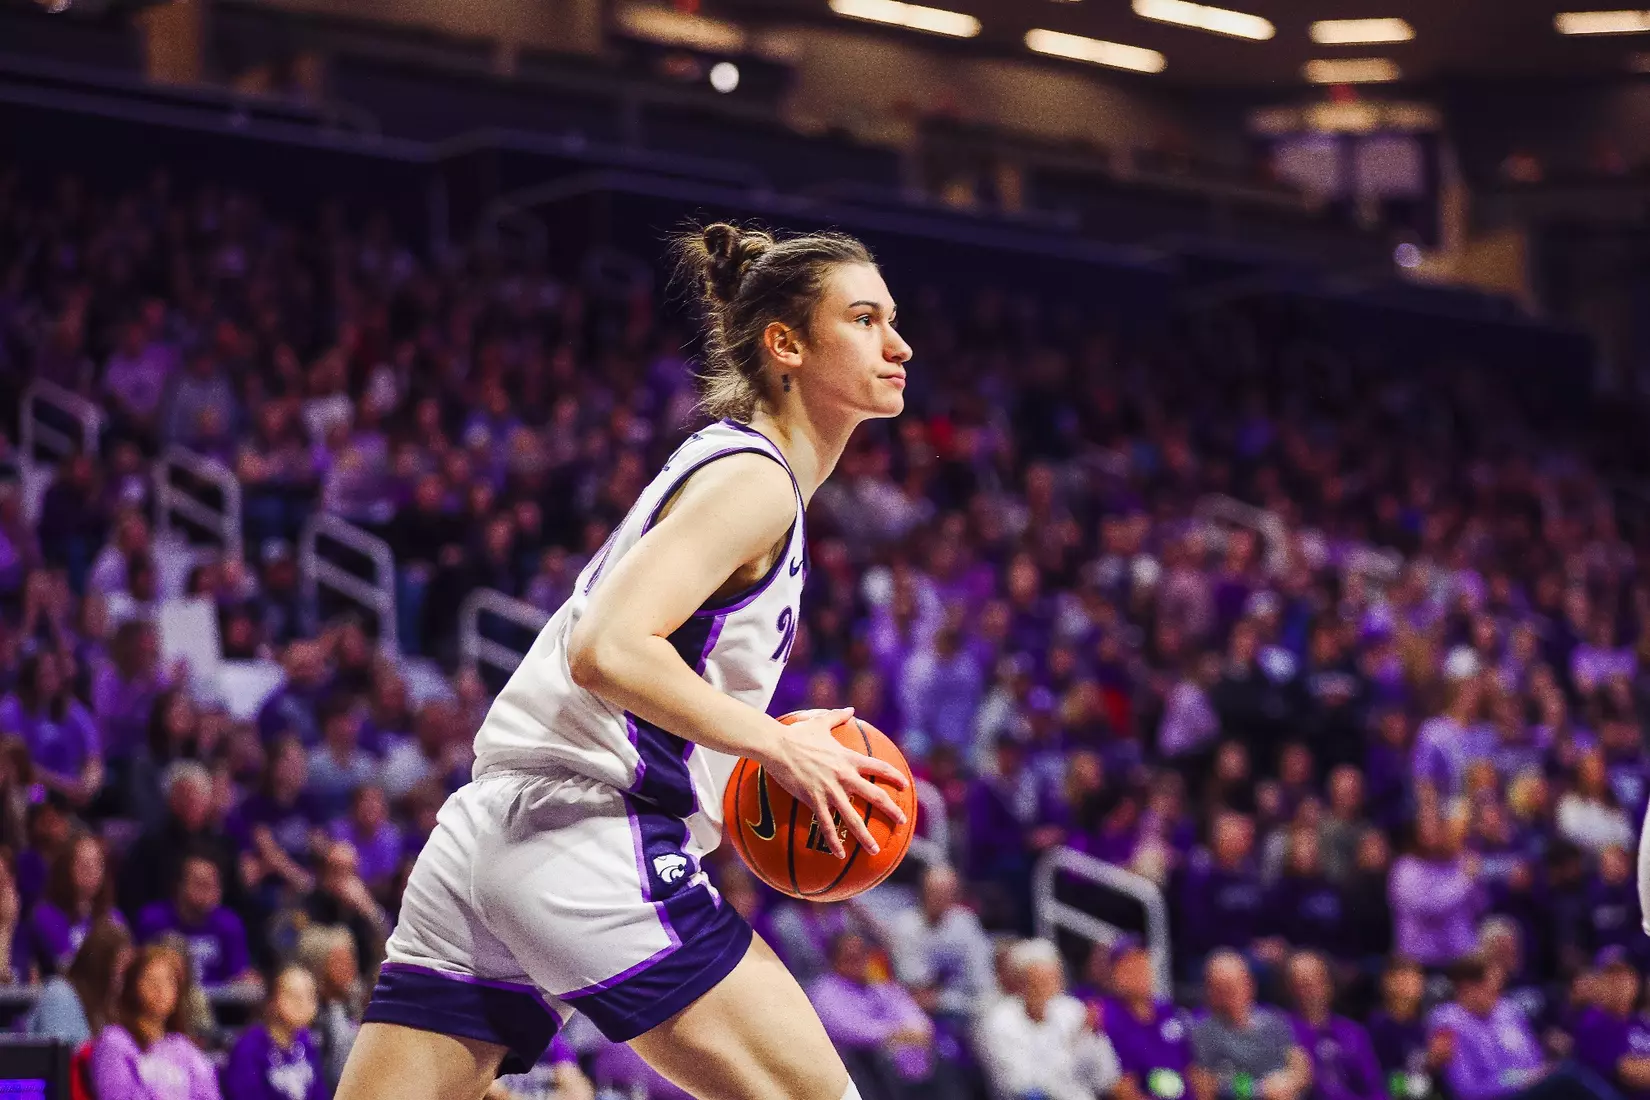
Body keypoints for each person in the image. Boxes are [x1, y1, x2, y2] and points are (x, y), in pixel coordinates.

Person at [338, 222, 913, 1100]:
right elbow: (605, 647)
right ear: (786, 344)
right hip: (590, 836)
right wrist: (779, 746)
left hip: (488, 836)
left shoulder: (732, 467)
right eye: (866, 319)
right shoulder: (755, 480)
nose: (897, 343)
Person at [973, 938, 1120, 1100]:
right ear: (1020, 985)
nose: (1049, 992)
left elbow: (1106, 1077)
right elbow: (1021, 1086)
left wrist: (1093, 1036)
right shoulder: (998, 1022)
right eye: (1039, 982)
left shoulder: (1072, 1010)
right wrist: (1073, 1046)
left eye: (1054, 981)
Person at [89, 943, 222, 1100]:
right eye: (151, 979)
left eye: (168, 981)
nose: (160, 989)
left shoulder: (184, 1048)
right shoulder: (114, 1042)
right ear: (132, 987)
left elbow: (210, 1096)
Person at [1188, 951, 1312, 1100]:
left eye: (1232, 986)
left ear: (1249, 984)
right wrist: (1260, 1090)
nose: (1227, 996)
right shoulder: (1202, 1031)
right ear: (1209, 992)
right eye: (1219, 989)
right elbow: (1205, 1085)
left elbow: (1301, 1067)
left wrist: (1288, 1082)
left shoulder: (1274, 1020)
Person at [1093, 937, 1201, 1100]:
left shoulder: (1169, 1012)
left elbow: (1192, 1070)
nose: (1139, 973)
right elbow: (1119, 1086)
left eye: (1142, 964)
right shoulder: (1105, 1018)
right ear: (1114, 975)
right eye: (1130, 966)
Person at [1282, 951, 1382, 1100]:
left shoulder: (1354, 1033)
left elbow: (1375, 1088)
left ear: (1329, 985)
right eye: (1302, 983)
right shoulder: (1282, 1032)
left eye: (1316, 980)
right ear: (1289, 989)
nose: (1311, 990)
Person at [222, 964, 328, 1100]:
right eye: (294, 995)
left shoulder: (306, 1042)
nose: (304, 1003)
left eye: (310, 995)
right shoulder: (248, 1048)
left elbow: (319, 1094)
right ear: (272, 999)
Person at [22, 917, 132, 1048]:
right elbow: (61, 1059)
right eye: (121, 969)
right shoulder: (59, 994)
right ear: (100, 966)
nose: (126, 978)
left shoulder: (108, 1007)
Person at [1571, 947, 1650, 1098]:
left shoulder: (1640, 1024)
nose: (1619, 983)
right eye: (1610, 975)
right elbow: (1627, 1071)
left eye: (1625, 975)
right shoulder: (1594, 1022)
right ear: (1598, 983)